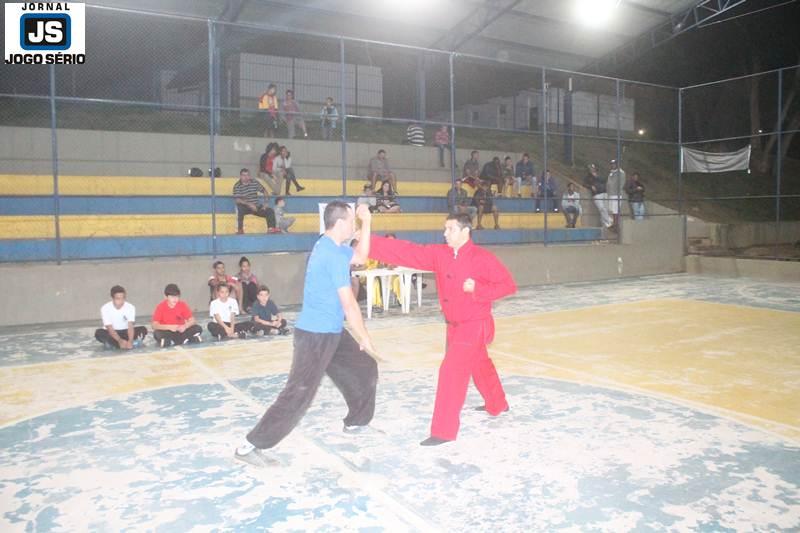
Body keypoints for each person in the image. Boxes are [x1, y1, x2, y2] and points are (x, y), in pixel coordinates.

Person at [235, 203, 377, 467]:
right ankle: (250, 445)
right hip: (314, 337)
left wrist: (367, 222)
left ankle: (356, 421)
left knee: (365, 366)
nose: (354, 226)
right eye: (353, 221)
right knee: (298, 394)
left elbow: (361, 257)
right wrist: (363, 336)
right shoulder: (330, 254)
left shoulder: (330, 246)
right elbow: (349, 303)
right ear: (341, 224)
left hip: (331, 331)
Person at [368, 214, 516, 445]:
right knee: (479, 363)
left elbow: (508, 285)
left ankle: (443, 431)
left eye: (450, 229)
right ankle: (498, 404)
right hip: (454, 326)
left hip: (474, 324)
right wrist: (369, 242)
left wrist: (479, 289)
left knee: (451, 372)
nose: (445, 233)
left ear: (465, 232)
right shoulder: (440, 254)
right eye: (445, 229)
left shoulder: (482, 258)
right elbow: (408, 252)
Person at [94, 285, 147, 349]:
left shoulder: (130, 307)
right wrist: (120, 341)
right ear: (112, 298)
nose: (121, 301)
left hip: (125, 332)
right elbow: (109, 328)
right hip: (112, 333)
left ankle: (116, 344)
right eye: (118, 299)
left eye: (123, 298)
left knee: (143, 329)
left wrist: (130, 341)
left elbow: (130, 326)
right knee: (99, 333)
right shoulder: (105, 308)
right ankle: (120, 344)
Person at [234, 168, 277, 234]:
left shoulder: (254, 182)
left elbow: (264, 191)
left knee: (270, 211)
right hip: (246, 207)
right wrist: (249, 204)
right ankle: (240, 230)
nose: (246, 177)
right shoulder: (237, 185)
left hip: (256, 206)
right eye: (244, 175)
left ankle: (271, 229)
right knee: (239, 208)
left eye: (247, 175)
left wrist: (266, 203)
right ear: (240, 176)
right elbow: (237, 200)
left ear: (249, 176)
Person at [584, 163, 611, 229]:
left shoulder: (599, 175)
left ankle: (605, 225)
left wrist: (597, 177)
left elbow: (605, 180)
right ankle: (609, 221)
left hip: (604, 192)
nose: (591, 169)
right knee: (602, 208)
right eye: (590, 169)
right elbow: (584, 184)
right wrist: (591, 186)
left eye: (592, 168)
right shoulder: (588, 177)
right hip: (596, 194)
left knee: (606, 209)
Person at [607, 159, 626, 231]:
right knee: (612, 210)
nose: (612, 165)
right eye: (611, 164)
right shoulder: (611, 172)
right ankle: (614, 224)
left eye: (614, 164)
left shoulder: (621, 172)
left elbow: (622, 183)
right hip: (611, 194)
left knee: (616, 210)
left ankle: (616, 225)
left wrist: (618, 191)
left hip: (616, 194)